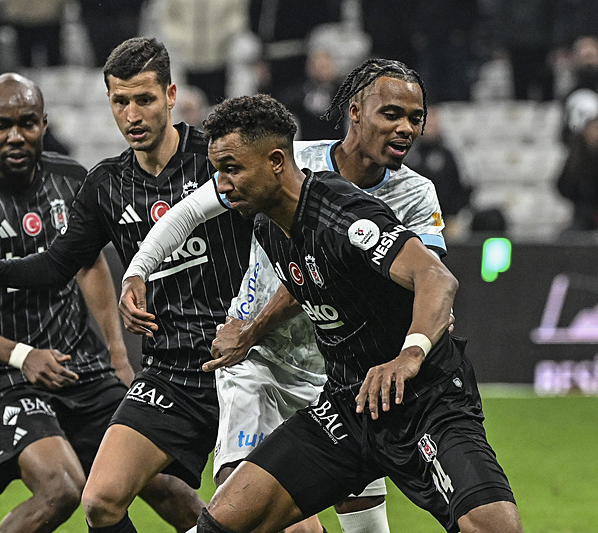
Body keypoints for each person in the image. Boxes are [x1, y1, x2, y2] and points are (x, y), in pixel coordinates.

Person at [121, 59, 449, 533]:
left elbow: (421, 278)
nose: (405, 128)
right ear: (355, 112)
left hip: (337, 375)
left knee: (367, 527)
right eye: (391, 114)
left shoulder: (416, 196)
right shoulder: (288, 161)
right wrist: (137, 272)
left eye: (414, 119)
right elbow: (188, 212)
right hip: (255, 359)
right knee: (244, 512)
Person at [0, 38, 254, 533]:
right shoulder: (106, 185)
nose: (132, 114)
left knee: (267, 519)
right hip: (171, 373)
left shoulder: (217, 160)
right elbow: (57, 265)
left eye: (145, 99)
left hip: (244, 364)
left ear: (171, 96)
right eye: (120, 101)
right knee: (101, 500)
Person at [192, 93, 523, 533]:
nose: (223, 184)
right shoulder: (268, 224)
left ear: (275, 161)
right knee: (224, 520)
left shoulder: (344, 214)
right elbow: (304, 283)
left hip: (425, 402)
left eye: (232, 169)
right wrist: (253, 330)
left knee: (494, 528)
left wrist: (409, 355)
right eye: (219, 171)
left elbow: (437, 278)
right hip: (350, 405)